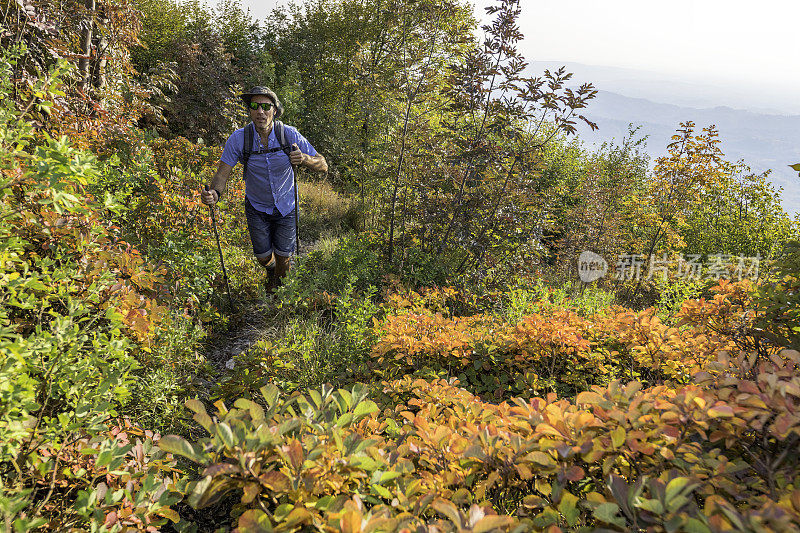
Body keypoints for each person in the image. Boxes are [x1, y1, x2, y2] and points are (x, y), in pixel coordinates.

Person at [201, 86, 328, 292]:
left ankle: (277, 296)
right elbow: (222, 174)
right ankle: (271, 270)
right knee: (262, 257)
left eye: (266, 106)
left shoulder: (289, 134)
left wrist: (304, 159)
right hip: (256, 206)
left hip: (286, 206)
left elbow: (323, 164)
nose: (260, 111)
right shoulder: (239, 139)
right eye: (254, 106)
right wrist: (214, 194)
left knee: (284, 257)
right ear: (249, 111)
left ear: (274, 111)